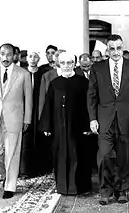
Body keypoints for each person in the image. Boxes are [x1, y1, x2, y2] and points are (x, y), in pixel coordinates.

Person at [88, 34, 129, 205]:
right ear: (107, 50)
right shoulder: (97, 68)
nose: (115, 52)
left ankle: (122, 190)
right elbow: (91, 96)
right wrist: (93, 119)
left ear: (123, 47)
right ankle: (105, 191)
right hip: (105, 120)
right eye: (112, 48)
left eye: (118, 48)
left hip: (127, 121)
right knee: (105, 156)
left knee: (125, 157)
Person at [39, 52, 91, 195]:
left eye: (69, 63)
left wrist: (88, 125)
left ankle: (78, 187)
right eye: (63, 63)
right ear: (59, 65)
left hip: (78, 127)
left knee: (78, 156)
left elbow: (89, 105)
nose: (66, 66)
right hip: (59, 128)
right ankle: (62, 187)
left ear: (74, 64)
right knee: (60, 156)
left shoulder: (83, 82)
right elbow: (48, 105)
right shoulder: (54, 83)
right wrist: (47, 126)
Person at [0, 43, 32, 199]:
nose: (5, 57)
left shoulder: (23, 74)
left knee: (12, 153)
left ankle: (10, 186)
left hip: (15, 119)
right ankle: (6, 174)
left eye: (8, 54)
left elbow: (29, 99)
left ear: (14, 56)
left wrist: (27, 118)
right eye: (2, 54)